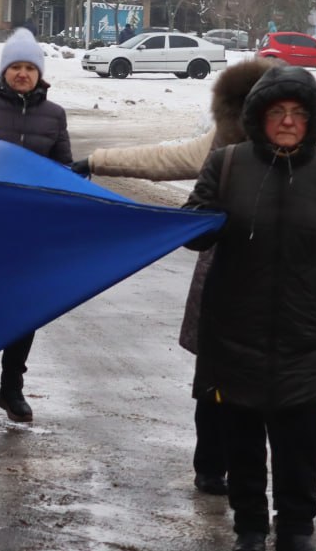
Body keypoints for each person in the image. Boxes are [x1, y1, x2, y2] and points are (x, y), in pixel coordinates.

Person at [182, 65, 316, 551]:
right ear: (257, 118)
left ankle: (295, 529)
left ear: (313, 121)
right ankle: (249, 526)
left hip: (308, 336)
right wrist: (203, 221)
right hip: (234, 332)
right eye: (276, 113)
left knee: (299, 445)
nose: (287, 122)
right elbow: (191, 226)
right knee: (241, 440)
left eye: (297, 114)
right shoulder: (226, 166)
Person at [69, 58, 276, 496]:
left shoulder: (305, 158)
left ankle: (255, 475)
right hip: (223, 280)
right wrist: (97, 161)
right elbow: (164, 158)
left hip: (282, 290)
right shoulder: (223, 147)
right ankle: (210, 466)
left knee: (270, 387)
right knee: (215, 382)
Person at [0, 27, 70, 424]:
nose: (22, 74)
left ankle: (12, 389)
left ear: (39, 73)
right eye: (15, 67)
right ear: (4, 70)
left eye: (29, 68)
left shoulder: (54, 115)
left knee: (24, 311)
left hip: (29, 234)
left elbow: (63, 171)